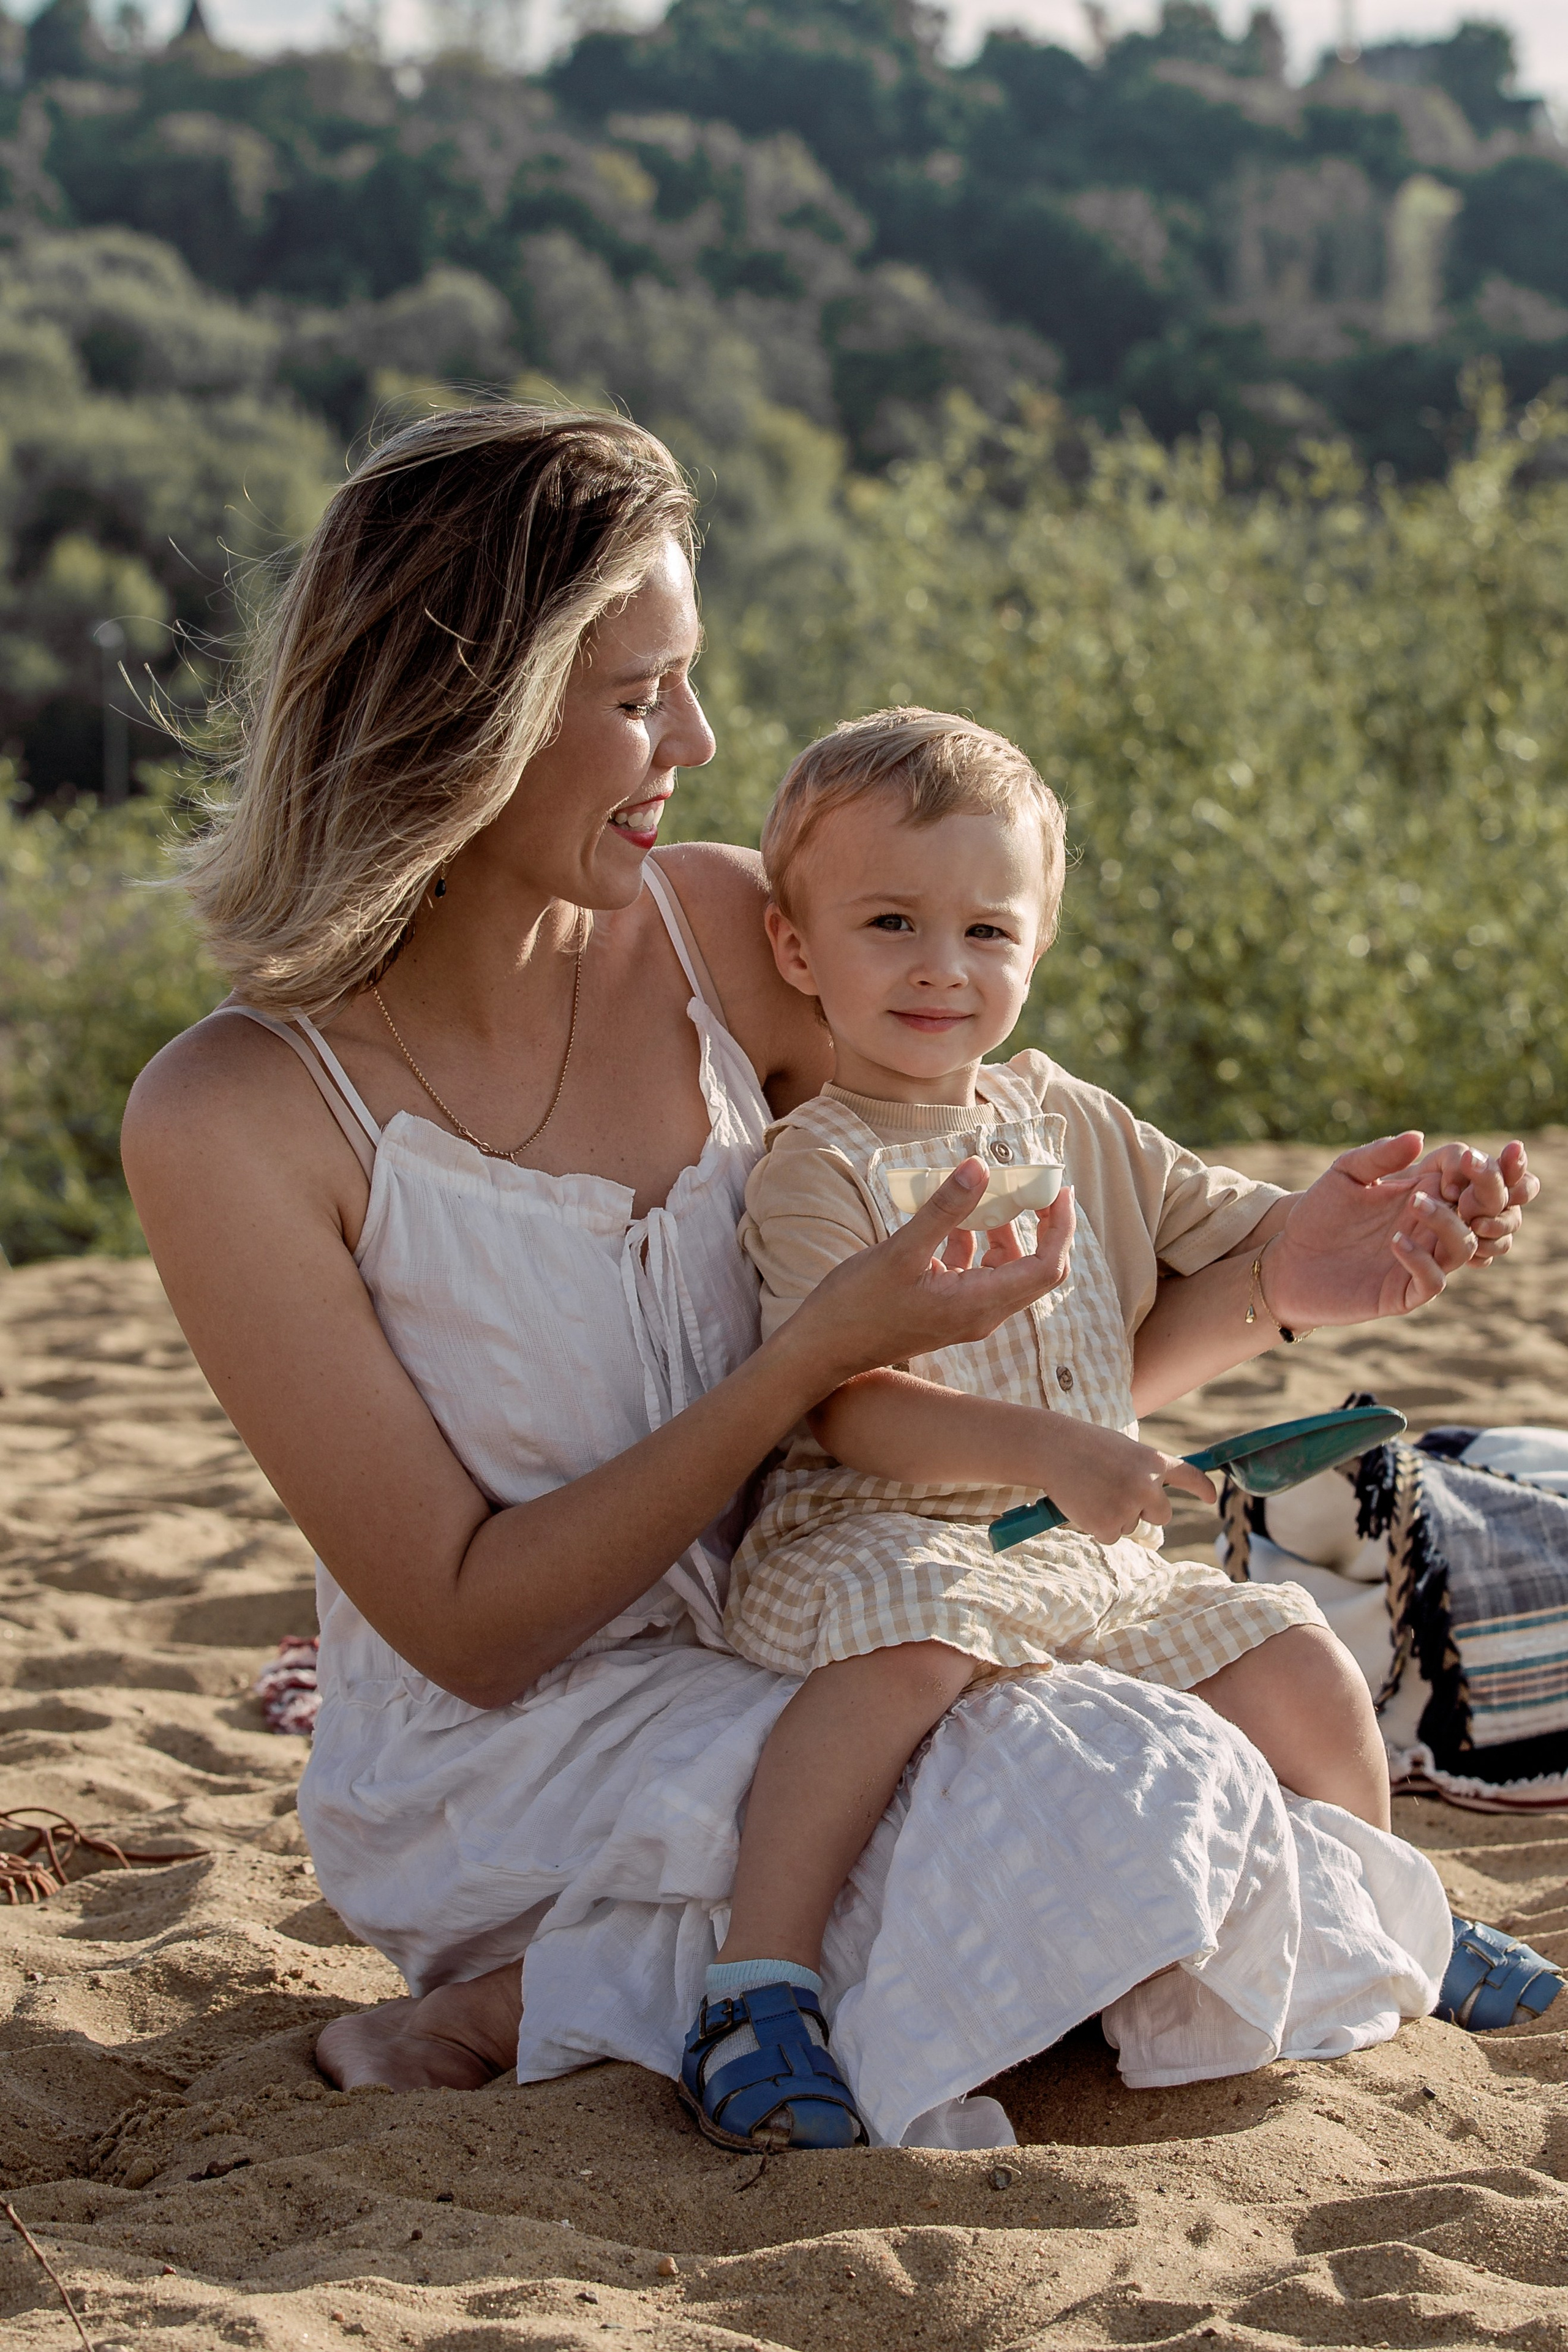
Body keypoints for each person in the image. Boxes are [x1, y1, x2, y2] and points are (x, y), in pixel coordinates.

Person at [120, 404, 1542, 2160]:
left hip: (857, 1628)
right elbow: (477, 1626)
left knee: (1182, 1762)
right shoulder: (237, 1117)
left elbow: (985, 1379)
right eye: (642, 697)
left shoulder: (725, 938)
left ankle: (642, 1984)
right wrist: (811, 1368)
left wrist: (1278, 1284)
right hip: (531, 1751)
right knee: (1107, 1809)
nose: (700, 744)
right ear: (459, 704)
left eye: (691, 680)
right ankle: (521, 1984)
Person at [684, 708, 1408, 2149]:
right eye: (889, 922)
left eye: (987, 931)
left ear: (1034, 944)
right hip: (882, 1532)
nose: (941, 968)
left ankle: (1381, 1914)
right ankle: (754, 1983)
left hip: (1077, 1544)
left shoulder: (1066, 1118)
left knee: (1294, 1658)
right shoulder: (813, 1166)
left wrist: (1362, 1214)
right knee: (912, 1651)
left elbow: (1239, 1231)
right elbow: (843, 1404)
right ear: (794, 948)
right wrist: (1050, 1450)